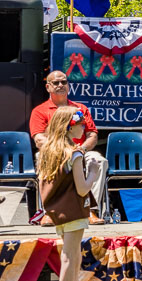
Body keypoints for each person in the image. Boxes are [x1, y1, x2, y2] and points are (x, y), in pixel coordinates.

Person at [30, 70, 108, 226]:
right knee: (41, 158)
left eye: (64, 82)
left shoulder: (80, 109)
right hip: (54, 152)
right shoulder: (39, 111)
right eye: (56, 83)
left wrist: (82, 150)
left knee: (99, 160)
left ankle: (90, 210)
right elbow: (39, 140)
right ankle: (49, 212)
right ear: (48, 87)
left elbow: (92, 135)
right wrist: (62, 151)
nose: (60, 85)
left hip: (79, 150)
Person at [38, 106, 101, 281]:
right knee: (70, 257)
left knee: (73, 256)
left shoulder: (50, 152)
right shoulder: (74, 154)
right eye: (80, 123)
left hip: (58, 210)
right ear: (69, 126)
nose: (84, 127)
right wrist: (93, 173)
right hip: (74, 209)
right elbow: (82, 189)